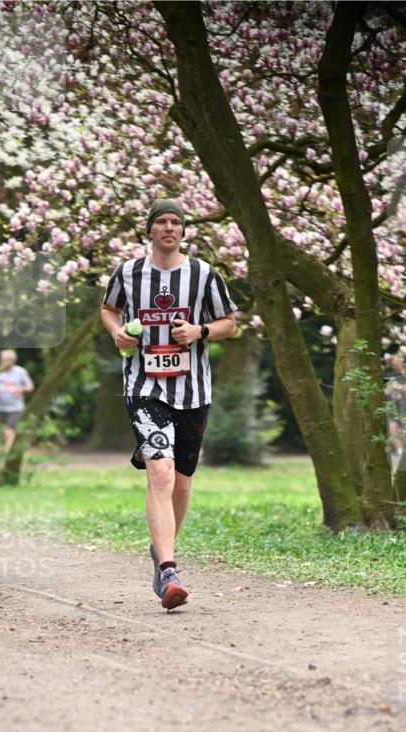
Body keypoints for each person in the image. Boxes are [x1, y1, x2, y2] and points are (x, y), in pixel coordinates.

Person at [100, 198, 238, 610]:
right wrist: (117, 332)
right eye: (161, 221)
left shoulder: (203, 274)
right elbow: (109, 310)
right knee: (160, 474)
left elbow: (231, 323)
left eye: (176, 222)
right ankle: (168, 569)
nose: (169, 228)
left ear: (183, 230)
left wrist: (200, 330)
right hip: (143, 388)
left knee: (181, 482)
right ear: (150, 230)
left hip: (193, 391)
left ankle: (160, 550)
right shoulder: (127, 272)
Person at [0, 349, 34, 448]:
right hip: (1, 407)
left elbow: (30, 386)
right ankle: (11, 449)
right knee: (4, 432)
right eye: (2, 359)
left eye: (5, 359)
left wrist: (21, 389)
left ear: (12, 360)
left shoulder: (20, 372)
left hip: (15, 408)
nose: (3, 362)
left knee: (9, 430)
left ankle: (7, 451)